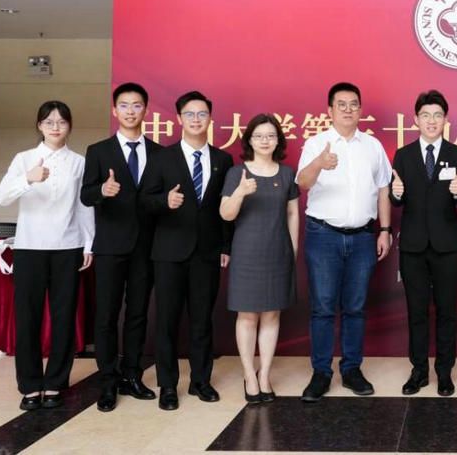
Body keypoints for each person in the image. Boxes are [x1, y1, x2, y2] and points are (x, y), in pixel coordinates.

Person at [296, 82, 393, 402]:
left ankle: (351, 369)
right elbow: (302, 183)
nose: (348, 109)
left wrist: (384, 229)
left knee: (355, 307)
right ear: (330, 110)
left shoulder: (373, 146)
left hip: (363, 237)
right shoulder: (316, 143)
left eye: (354, 104)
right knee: (323, 307)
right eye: (341, 104)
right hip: (323, 235)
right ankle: (321, 372)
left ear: (360, 109)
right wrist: (318, 164)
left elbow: (383, 188)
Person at [0, 101, 94, 411]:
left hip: (67, 246)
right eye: (49, 121)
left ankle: (55, 382)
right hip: (29, 247)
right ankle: (29, 385)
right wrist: (28, 178)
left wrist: (88, 244)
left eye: (62, 121)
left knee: (64, 317)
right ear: (39, 125)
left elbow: (84, 207)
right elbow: (1, 196)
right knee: (28, 318)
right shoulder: (24, 159)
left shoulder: (78, 162)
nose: (55, 127)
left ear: (69, 126)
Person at [139, 90, 233, 411]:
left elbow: (225, 209)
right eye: (190, 114)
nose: (196, 119)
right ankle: (168, 385)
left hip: (207, 252)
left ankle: (200, 381)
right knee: (167, 321)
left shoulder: (222, 160)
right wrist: (164, 201)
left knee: (202, 320)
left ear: (210, 118)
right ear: (179, 118)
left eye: (202, 114)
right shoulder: (161, 158)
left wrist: (225, 245)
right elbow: (144, 201)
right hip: (169, 252)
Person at [81, 83, 161, 412]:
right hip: (111, 245)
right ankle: (107, 381)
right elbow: (86, 195)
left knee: (138, 313)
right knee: (106, 314)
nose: (130, 111)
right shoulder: (98, 151)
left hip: (146, 246)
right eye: (124, 105)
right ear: (115, 111)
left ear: (146, 110)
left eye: (137, 105)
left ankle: (132, 375)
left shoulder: (159, 152)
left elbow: (159, 197)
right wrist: (103, 190)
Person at [390, 90, 457, 397]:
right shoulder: (403, 155)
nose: (432, 121)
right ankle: (419, 371)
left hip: (445, 245)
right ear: (416, 120)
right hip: (413, 246)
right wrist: (396, 193)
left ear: (445, 119)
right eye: (426, 115)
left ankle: (444, 372)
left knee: (447, 311)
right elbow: (396, 200)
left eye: (437, 115)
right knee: (417, 311)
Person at [220, 114, 300, 404]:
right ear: (249, 140)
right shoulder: (237, 173)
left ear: (278, 140)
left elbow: (292, 213)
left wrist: (292, 251)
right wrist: (240, 192)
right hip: (247, 252)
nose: (265, 141)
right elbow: (226, 214)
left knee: (272, 314)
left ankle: (264, 373)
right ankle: (249, 375)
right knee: (247, 315)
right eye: (259, 136)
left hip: (278, 251)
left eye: (271, 135)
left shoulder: (287, 174)